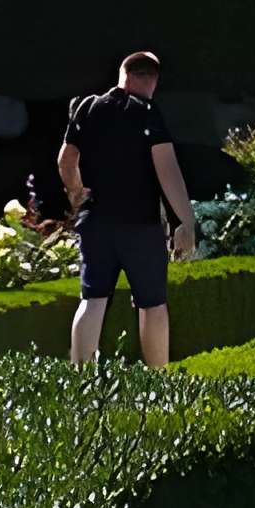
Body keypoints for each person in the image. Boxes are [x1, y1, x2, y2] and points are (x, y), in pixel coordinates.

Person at [58, 50, 197, 368]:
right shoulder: (147, 112)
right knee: (152, 304)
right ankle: (157, 380)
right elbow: (168, 170)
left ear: (124, 74)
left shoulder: (87, 106)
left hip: (96, 222)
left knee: (92, 300)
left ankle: (80, 379)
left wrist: (76, 191)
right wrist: (185, 221)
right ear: (152, 80)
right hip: (141, 225)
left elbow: (66, 160)